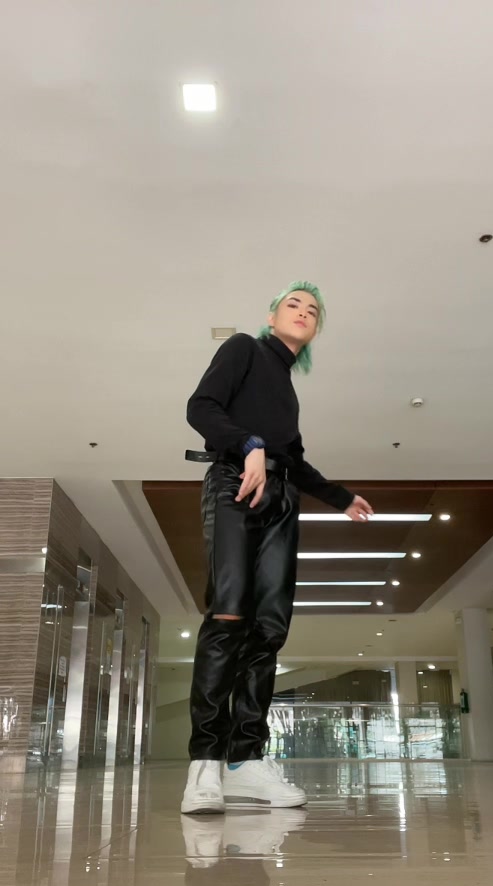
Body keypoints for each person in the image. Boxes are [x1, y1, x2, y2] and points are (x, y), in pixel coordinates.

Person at [181, 281, 374, 815]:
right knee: (229, 613)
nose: (303, 312)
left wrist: (341, 498)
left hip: (282, 498)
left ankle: (244, 760)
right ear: (272, 316)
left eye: (313, 310)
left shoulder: (287, 387)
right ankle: (205, 761)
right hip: (235, 484)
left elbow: (294, 459)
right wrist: (248, 445)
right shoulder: (243, 348)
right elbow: (201, 407)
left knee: (268, 628)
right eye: (294, 303)